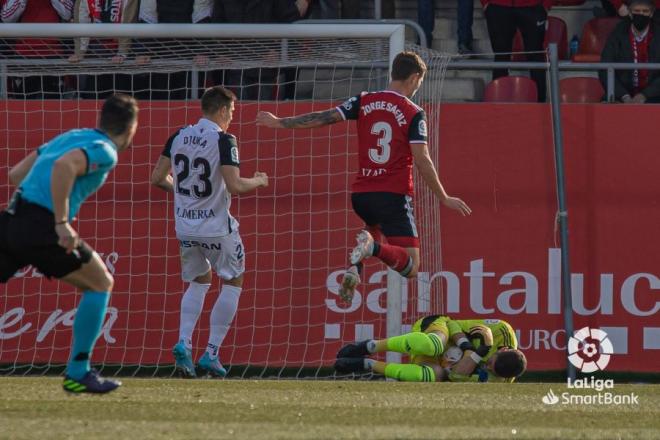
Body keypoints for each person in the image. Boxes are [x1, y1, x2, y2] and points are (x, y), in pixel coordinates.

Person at [256, 51, 471, 303]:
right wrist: (443, 197)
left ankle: (354, 268)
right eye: (419, 83)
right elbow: (422, 159)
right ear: (414, 78)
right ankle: (372, 249)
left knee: (373, 226)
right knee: (411, 266)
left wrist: (281, 122)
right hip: (391, 196)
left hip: (361, 196)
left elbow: (325, 118)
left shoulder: (365, 100)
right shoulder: (414, 112)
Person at [0, 94, 138, 393]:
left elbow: (17, 174)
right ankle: (78, 371)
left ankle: (79, 372)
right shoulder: (105, 150)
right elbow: (65, 166)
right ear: (130, 129)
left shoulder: (73, 135)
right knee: (100, 283)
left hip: (13, 218)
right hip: (42, 226)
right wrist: (61, 222)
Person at [151, 86, 268, 378]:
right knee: (234, 280)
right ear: (222, 110)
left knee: (199, 282)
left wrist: (182, 194)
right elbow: (236, 185)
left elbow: (157, 177)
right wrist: (258, 180)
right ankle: (211, 353)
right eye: (232, 112)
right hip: (216, 228)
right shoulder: (224, 140)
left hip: (185, 227)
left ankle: (183, 342)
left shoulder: (178, 135)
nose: (232, 118)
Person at [335, 316, 526, 383]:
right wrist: (466, 346)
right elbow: (452, 325)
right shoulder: (501, 329)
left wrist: (477, 354)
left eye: (491, 370)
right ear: (503, 349)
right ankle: (371, 346)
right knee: (432, 345)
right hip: (435, 330)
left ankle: (367, 364)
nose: (488, 367)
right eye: (490, 363)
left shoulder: (499, 380)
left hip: (442, 364)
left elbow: (455, 377)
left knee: (434, 376)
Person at [482, 0, 550, 101]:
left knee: (536, 55)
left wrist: (546, 4)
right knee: (501, 56)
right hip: (498, 6)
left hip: (533, 6)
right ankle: (498, 106)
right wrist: (486, 3)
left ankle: (540, 105)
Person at [600, 0, 660, 103]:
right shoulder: (617, 34)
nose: (641, 14)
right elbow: (604, 69)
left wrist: (644, 95)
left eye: (645, 11)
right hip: (622, 95)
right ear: (630, 13)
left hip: (654, 95)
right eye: (637, 11)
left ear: (651, 13)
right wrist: (624, 96)